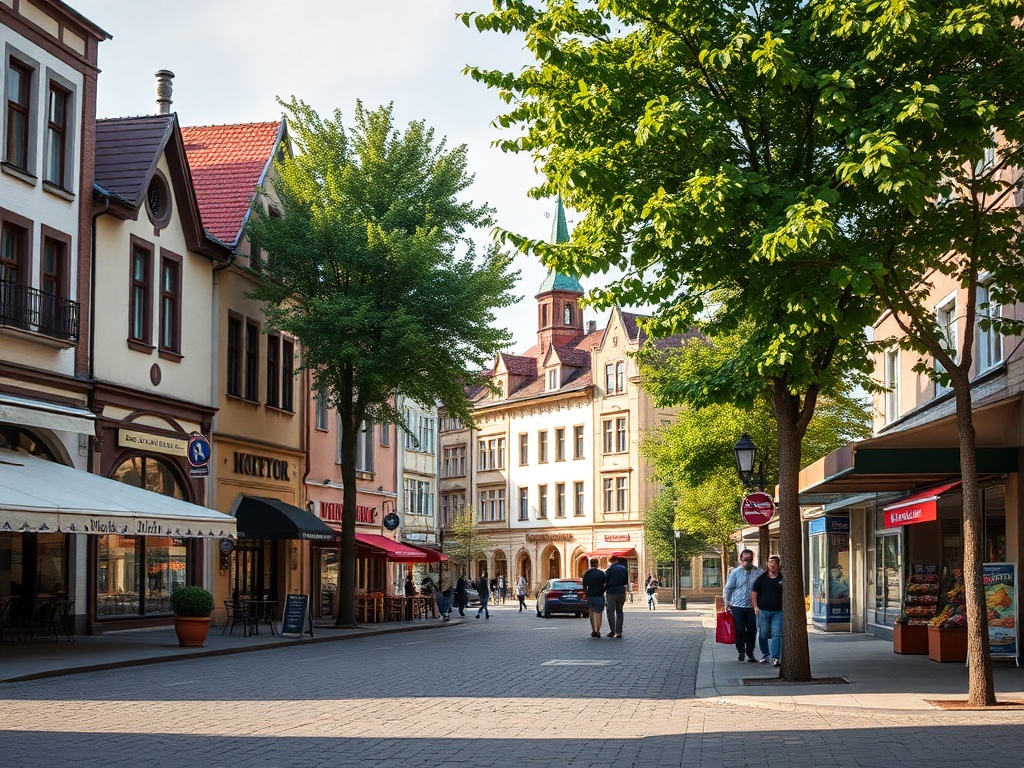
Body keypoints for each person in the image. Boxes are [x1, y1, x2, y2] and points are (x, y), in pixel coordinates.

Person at [723, 549, 763, 663]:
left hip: (752, 606)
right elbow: (728, 589)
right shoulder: (735, 572)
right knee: (739, 629)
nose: (747, 562)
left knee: (752, 629)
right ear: (741, 560)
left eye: (750, 559)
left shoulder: (758, 572)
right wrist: (726, 604)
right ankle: (741, 651)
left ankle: (750, 652)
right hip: (737, 605)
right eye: (745, 559)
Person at [752, 555, 783, 667]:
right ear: (767, 564)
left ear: (778, 564)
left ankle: (776, 657)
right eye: (770, 563)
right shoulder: (761, 578)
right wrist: (755, 607)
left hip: (778, 611)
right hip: (763, 611)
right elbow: (754, 593)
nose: (772, 565)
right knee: (763, 634)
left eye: (774, 563)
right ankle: (765, 654)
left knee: (776, 634)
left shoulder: (782, 578)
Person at [604, 556, 629, 638]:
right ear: (617, 560)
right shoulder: (623, 568)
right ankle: (619, 632)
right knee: (619, 611)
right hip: (621, 591)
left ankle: (612, 630)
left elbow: (606, 580)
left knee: (610, 611)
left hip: (611, 592)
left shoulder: (609, 569)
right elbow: (626, 581)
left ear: (610, 561)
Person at [582, 558, 607, 638]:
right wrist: (602, 590)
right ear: (597, 564)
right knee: (599, 613)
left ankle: (593, 630)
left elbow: (584, 586)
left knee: (591, 612)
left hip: (590, 595)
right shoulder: (601, 573)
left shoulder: (587, 573)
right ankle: (598, 631)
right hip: (599, 595)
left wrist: (585, 593)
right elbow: (605, 584)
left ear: (590, 564)